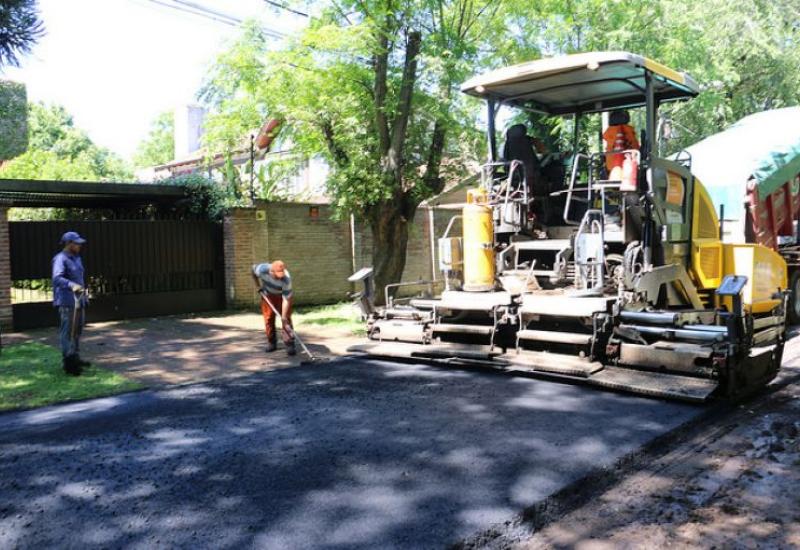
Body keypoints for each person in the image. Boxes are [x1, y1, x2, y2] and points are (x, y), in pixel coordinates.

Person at [52, 231, 89, 376]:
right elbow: (57, 279)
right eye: (77, 243)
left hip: (79, 300)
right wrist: (72, 285)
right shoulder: (60, 259)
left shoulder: (77, 258)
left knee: (77, 330)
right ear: (69, 244)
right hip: (67, 301)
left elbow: (79, 278)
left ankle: (75, 358)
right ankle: (68, 364)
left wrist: (84, 294)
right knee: (67, 332)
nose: (79, 245)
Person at [252, 260, 296, 355]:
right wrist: (257, 286)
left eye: (281, 275)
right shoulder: (262, 269)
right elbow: (252, 270)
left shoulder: (286, 279)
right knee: (268, 318)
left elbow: (286, 300)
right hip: (268, 295)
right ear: (271, 272)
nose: (279, 277)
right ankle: (271, 343)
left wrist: (283, 317)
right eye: (277, 275)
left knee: (286, 319)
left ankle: (290, 344)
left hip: (282, 297)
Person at [603, 110, 640, 180]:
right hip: (627, 168)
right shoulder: (629, 132)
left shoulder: (609, 134)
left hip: (611, 169)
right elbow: (636, 148)